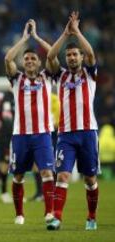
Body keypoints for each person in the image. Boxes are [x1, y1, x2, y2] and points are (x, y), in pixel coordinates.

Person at [46, 12, 100, 231]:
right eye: (68, 56)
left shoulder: (90, 74)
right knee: (64, 175)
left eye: (75, 55)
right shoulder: (61, 76)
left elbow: (91, 52)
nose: (72, 58)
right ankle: (57, 217)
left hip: (88, 133)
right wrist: (64, 34)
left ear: (80, 57)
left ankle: (91, 216)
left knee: (89, 180)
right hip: (66, 135)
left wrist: (77, 32)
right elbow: (50, 57)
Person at [4, 19, 56, 228]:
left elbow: (52, 54)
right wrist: (24, 40)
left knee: (46, 173)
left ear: (39, 62)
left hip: (43, 134)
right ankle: (19, 214)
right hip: (20, 135)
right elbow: (8, 58)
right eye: (27, 59)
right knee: (18, 175)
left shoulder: (47, 77)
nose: (30, 61)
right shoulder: (17, 79)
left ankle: (49, 212)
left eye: (33, 58)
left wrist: (37, 38)